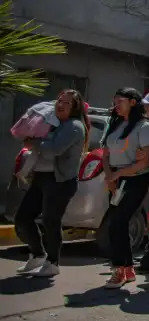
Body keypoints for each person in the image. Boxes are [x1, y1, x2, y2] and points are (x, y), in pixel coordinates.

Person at [15, 90, 88, 278]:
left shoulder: (74, 126)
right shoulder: (52, 122)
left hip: (60, 181)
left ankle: (53, 262)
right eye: (59, 100)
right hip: (41, 178)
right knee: (23, 218)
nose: (60, 104)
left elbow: (54, 149)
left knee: (51, 220)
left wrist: (35, 143)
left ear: (74, 108)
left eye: (67, 103)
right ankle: (38, 254)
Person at [101, 88, 149, 289]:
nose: (116, 104)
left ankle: (119, 269)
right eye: (114, 100)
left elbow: (144, 162)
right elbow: (105, 154)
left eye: (120, 101)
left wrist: (117, 174)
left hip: (135, 179)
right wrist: (110, 176)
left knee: (119, 221)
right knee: (116, 223)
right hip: (116, 179)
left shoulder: (143, 126)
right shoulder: (114, 124)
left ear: (133, 102)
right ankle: (127, 268)